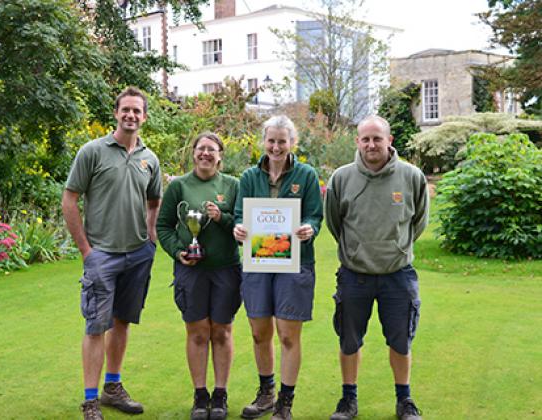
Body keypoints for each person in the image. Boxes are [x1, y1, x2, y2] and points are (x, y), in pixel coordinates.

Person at [62, 86, 162, 420]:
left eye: (137, 111)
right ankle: (90, 401)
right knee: (95, 327)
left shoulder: (150, 159)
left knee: (122, 322)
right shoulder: (93, 151)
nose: (131, 115)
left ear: (144, 116)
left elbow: (154, 201)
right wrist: (86, 250)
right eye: (126, 110)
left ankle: (112, 388)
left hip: (137, 255)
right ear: (116, 113)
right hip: (101, 255)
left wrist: (150, 238)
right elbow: (70, 199)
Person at [325, 115, 429, 420]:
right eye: (365, 139)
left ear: (389, 140)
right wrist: (355, 250)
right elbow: (334, 223)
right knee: (349, 339)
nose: (371, 144)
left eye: (377, 138)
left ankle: (404, 400)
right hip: (354, 275)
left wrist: (398, 247)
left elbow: (419, 221)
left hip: (398, 275)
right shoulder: (341, 178)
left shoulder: (412, 176)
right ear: (357, 141)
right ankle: (348, 400)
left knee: (400, 339)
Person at [233, 115, 323, 420]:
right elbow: (238, 214)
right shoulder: (248, 177)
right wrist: (239, 228)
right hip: (257, 263)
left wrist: (309, 228)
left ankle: (285, 403)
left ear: (292, 143)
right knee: (260, 333)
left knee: (287, 335)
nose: (275, 146)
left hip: (295, 262)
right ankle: (266, 393)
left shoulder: (307, 175)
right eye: (271, 140)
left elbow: (314, 215)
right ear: (264, 141)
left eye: (282, 141)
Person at [157, 132, 241, 420]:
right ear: (193, 153)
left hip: (226, 270)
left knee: (221, 330)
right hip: (190, 270)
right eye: (200, 149)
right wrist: (177, 251)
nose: (205, 154)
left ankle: (220, 394)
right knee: (197, 332)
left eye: (211, 150)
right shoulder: (179, 186)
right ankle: (200, 394)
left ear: (220, 156)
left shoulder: (232, 186)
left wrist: (223, 218)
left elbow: (243, 226)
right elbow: (164, 226)